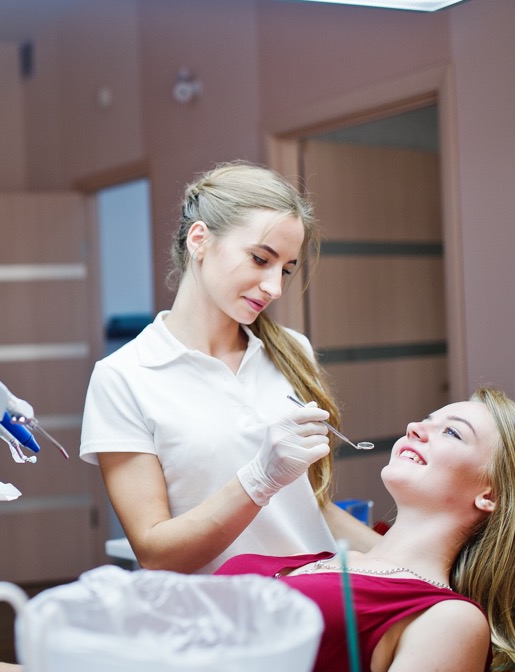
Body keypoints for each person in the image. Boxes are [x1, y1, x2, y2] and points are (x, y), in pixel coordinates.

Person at [0, 387, 515, 672]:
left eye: (451, 429)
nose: (417, 427)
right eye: (426, 417)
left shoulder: (448, 619)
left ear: (491, 495)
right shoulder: (310, 560)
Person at [79, 161, 375, 574]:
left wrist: (418, 563)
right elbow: (155, 552)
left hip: (314, 605)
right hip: (217, 622)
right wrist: (259, 479)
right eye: (259, 259)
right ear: (199, 240)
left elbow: (310, 510)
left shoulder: (292, 351)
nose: (274, 288)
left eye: (286, 270)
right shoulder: (124, 377)